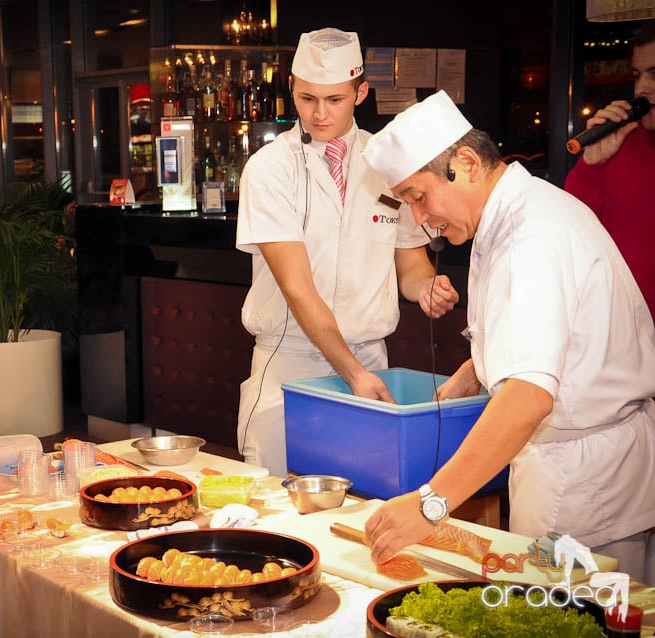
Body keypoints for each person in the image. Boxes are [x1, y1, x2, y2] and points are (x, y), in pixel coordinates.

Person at [361, 89, 655, 582]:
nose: (419, 218)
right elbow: (556, 326)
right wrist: (475, 368)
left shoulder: (531, 235)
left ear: (468, 163)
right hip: (582, 467)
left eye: (418, 195)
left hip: (584, 485)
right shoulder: (516, 210)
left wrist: (431, 504)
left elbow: (528, 398)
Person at [235, 28, 459, 478]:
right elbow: (298, 288)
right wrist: (352, 373)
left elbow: (410, 262)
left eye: (334, 100)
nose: (319, 114)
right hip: (290, 367)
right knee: (282, 511)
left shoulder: (386, 165)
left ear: (361, 92)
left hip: (370, 363)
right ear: (292, 89)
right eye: (306, 99)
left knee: (362, 506)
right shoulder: (269, 169)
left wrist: (426, 288)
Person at [565, 19, 655, 319]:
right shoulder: (619, 143)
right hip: (622, 335)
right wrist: (591, 165)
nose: (642, 88)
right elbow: (570, 231)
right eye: (637, 75)